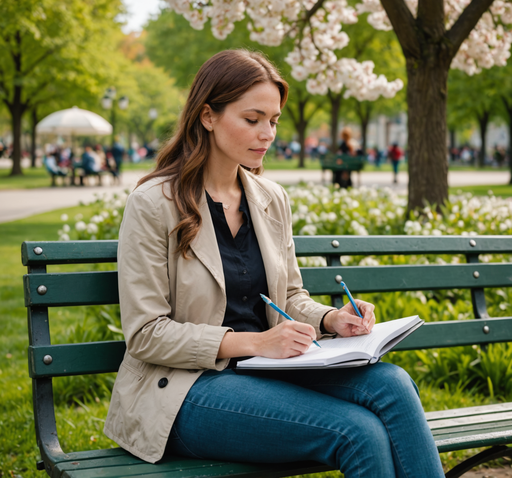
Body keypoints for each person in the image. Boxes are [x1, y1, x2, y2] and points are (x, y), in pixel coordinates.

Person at [103, 49, 444, 477]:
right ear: (208, 116)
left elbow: (290, 296)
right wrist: (256, 344)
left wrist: (332, 320)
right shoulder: (154, 204)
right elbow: (146, 334)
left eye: (274, 120)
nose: (267, 133)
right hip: (185, 390)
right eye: (252, 119)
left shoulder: (269, 198)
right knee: (358, 432)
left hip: (269, 372)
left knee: (392, 385)